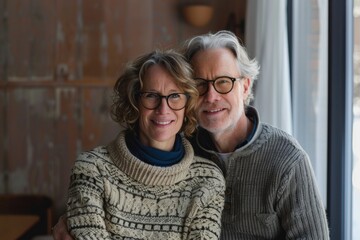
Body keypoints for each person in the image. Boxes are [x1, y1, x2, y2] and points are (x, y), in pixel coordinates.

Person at [53, 30, 330, 239]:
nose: (211, 96)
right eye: (199, 84)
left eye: (223, 82)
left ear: (245, 87)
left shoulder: (286, 160)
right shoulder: (178, 145)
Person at [63, 49, 225, 239]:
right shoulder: (91, 170)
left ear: (188, 104)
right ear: (134, 101)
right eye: (151, 95)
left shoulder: (208, 180)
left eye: (174, 96)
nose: (163, 109)